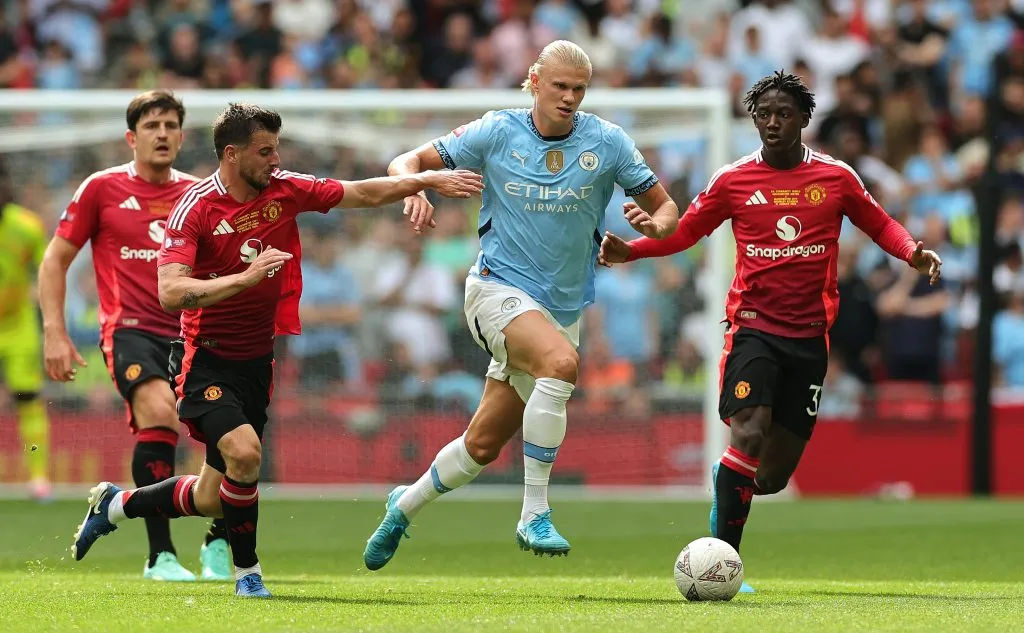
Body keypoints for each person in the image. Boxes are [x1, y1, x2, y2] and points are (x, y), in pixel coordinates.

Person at [69, 102, 483, 598]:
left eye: (277, 149)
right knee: (246, 455)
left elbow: (362, 192)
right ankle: (248, 574)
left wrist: (425, 181)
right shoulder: (196, 207)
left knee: (211, 497)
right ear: (231, 154)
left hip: (257, 361)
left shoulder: (285, 189)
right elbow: (171, 291)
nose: (275, 159)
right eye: (265, 151)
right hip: (205, 359)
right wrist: (244, 279)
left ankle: (114, 505)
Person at [599, 71, 942, 593]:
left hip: (809, 339)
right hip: (753, 329)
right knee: (749, 431)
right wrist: (633, 250)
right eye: (764, 115)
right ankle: (724, 563)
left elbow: (879, 223)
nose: (773, 123)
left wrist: (911, 252)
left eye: (784, 114)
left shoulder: (836, 178)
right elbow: (688, 231)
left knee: (771, 477)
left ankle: (729, 482)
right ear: (754, 120)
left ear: (803, 119)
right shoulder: (733, 180)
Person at [363, 40, 679, 570]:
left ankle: (403, 506)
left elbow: (666, 208)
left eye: (579, 89)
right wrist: (413, 187)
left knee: (482, 446)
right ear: (534, 82)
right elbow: (406, 160)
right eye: (560, 86)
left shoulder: (608, 142)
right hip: (495, 289)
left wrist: (653, 229)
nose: (570, 98)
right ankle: (535, 511)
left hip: (561, 311)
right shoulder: (496, 130)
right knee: (561, 364)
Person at [39, 90, 231, 582]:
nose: (161, 134)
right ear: (132, 137)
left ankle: (218, 540)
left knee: (231, 433)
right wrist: (55, 331)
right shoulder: (101, 189)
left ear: (182, 137)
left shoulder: (199, 194)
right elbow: (55, 260)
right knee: (159, 413)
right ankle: (160, 555)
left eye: (170, 126)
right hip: (130, 330)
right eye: (151, 125)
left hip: (193, 330)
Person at [0, 160, 51, 502]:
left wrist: (42, 299)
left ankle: (38, 478)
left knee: (28, 399)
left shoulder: (26, 226)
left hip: (18, 326)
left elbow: (48, 269)